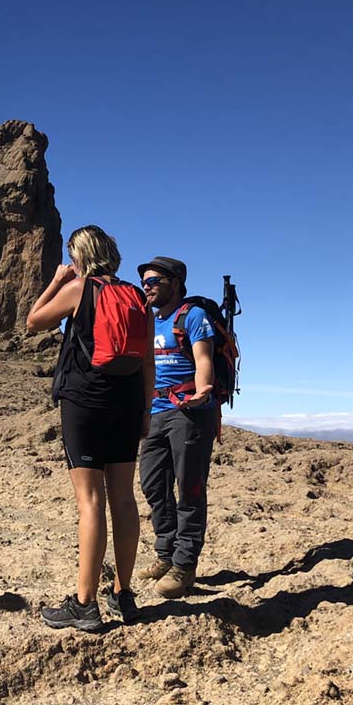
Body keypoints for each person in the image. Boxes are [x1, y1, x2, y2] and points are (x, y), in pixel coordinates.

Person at [26, 225, 154, 630]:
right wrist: (146, 412)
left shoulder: (80, 289)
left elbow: (33, 322)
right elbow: (148, 360)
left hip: (85, 403)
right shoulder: (136, 296)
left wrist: (57, 280)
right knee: (124, 498)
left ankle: (84, 605)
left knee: (90, 502)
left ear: (80, 255)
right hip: (128, 404)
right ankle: (123, 595)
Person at [134, 256, 216, 599]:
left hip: (189, 412)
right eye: (145, 281)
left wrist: (202, 390)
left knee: (190, 489)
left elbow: (204, 358)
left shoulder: (193, 316)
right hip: (155, 412)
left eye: (154, 280)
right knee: (153, 484)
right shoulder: (152, 321)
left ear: (176, 282)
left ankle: (185, 564)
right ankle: (166, 553)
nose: (147, 285)